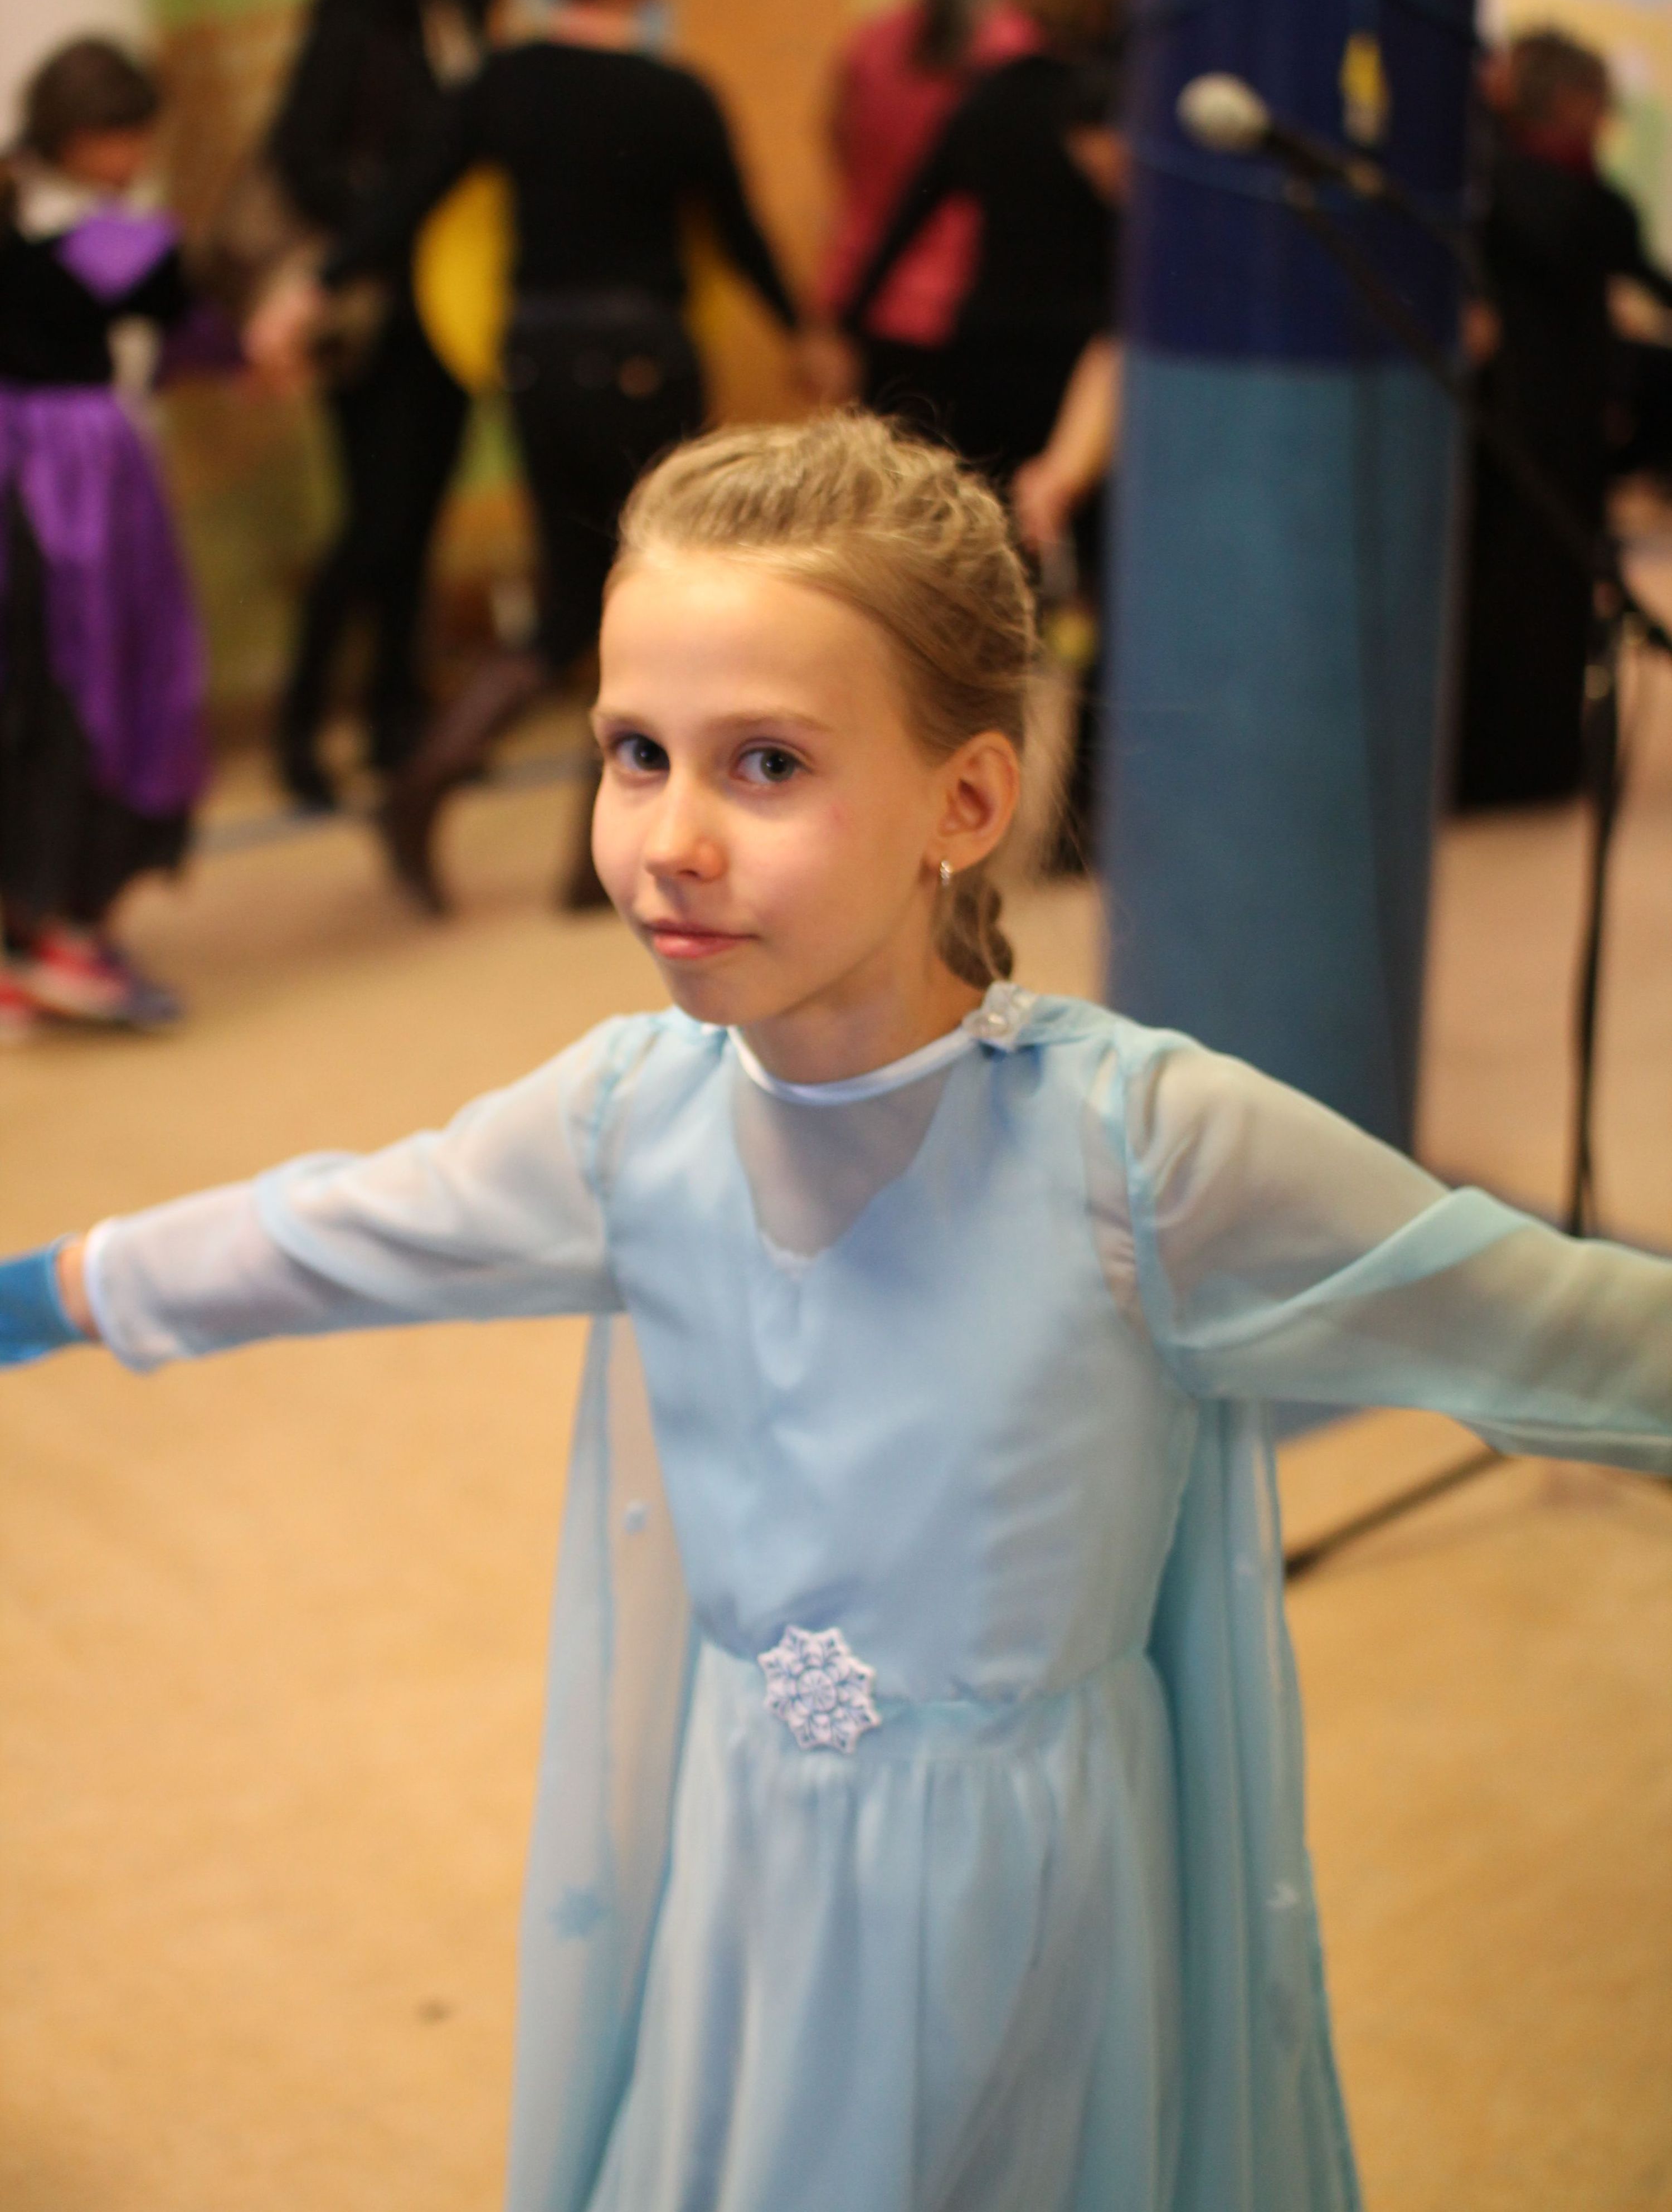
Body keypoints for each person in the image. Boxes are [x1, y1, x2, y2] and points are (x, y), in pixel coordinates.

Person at [4, 411, 1666, 2211]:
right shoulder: (630, 1119)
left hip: (1021, 1895)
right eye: (635, 754)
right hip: (750, 1843)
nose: (671, 839)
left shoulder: (1139, 1150)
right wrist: (50, 1291)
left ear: (968, 802)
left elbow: (1549, 1324)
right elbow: (336, 1230)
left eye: (768, 765)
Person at [252, 0, 830, 913]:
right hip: (642, 362)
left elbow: (403, 201)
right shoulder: (672, 93)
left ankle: (437, 792)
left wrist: (310, 293)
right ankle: (582, 858)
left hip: (534, 363)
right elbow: (741, 233)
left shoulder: (503, 82)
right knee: (647, 604)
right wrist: (806, 333)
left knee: (573, 599)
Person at [845, 0, 1133, 869]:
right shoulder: (1127, 105)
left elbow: (905, 222)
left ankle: (963, 812)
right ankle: (1084, 828)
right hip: (1097, 366)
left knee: (987, 596)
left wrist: (849, 326)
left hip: (992, 359)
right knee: (1109, 594)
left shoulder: (990, 98)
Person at [266, 0, 495, 809]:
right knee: (373, 528)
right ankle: (301, 725)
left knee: (417, 528)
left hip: (453, 306)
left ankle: (398, 723)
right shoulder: (351, 13)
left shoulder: (464, 9)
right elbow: (299, 155)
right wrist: (383, 226)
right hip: (375, 314)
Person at [0, 39, 208, 1035]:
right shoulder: (114, 244)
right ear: (79, 137)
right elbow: (190, 317)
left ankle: (39, 930)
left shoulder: (69, 228)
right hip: (70, 490)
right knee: (88, 692)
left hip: (46, 482)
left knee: (51, 696)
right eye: (123, 138)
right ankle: (56, 932)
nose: (134, 159)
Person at [1456, 28, 1672, 809]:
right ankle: (1519, 769)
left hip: (1532, 430)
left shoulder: (1495, 184)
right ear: (1571, 100)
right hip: (1536, 429)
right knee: (1524, 603)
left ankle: (1515, 768)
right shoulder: (1559, 199)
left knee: (1526, 603)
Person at [816, 0, 1044, 434]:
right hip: (989, 322)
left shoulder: (875, 40)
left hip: (880, 309)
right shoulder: (1029, 58)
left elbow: (847, 167)